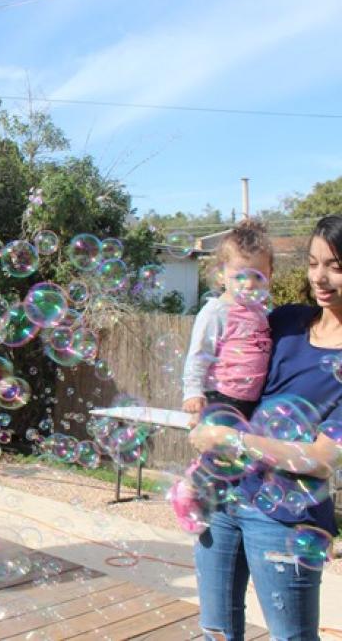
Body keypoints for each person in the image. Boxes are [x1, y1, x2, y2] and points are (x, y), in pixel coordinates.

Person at [189, 215, 342, 640]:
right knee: (216, 631)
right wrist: (203, 405)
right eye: (313, 263)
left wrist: (228, 437)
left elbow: (320, 459)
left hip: (286, 515)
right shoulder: (287, 320)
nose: (321, 278)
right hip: (223, 492)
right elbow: (231, 368)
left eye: (336, 266)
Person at [173, 220, 275, 532]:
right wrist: (193, 392)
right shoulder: (216, 311)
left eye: (257, 277)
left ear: (269, 276)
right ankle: (188, 489)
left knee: (237, 458)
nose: (248, 284)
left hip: (251, 400)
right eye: (239, 276)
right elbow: (199, 353)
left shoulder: (262, 313)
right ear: (222, 275)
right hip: (222, 395)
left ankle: (217, 499)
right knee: (217, 454)